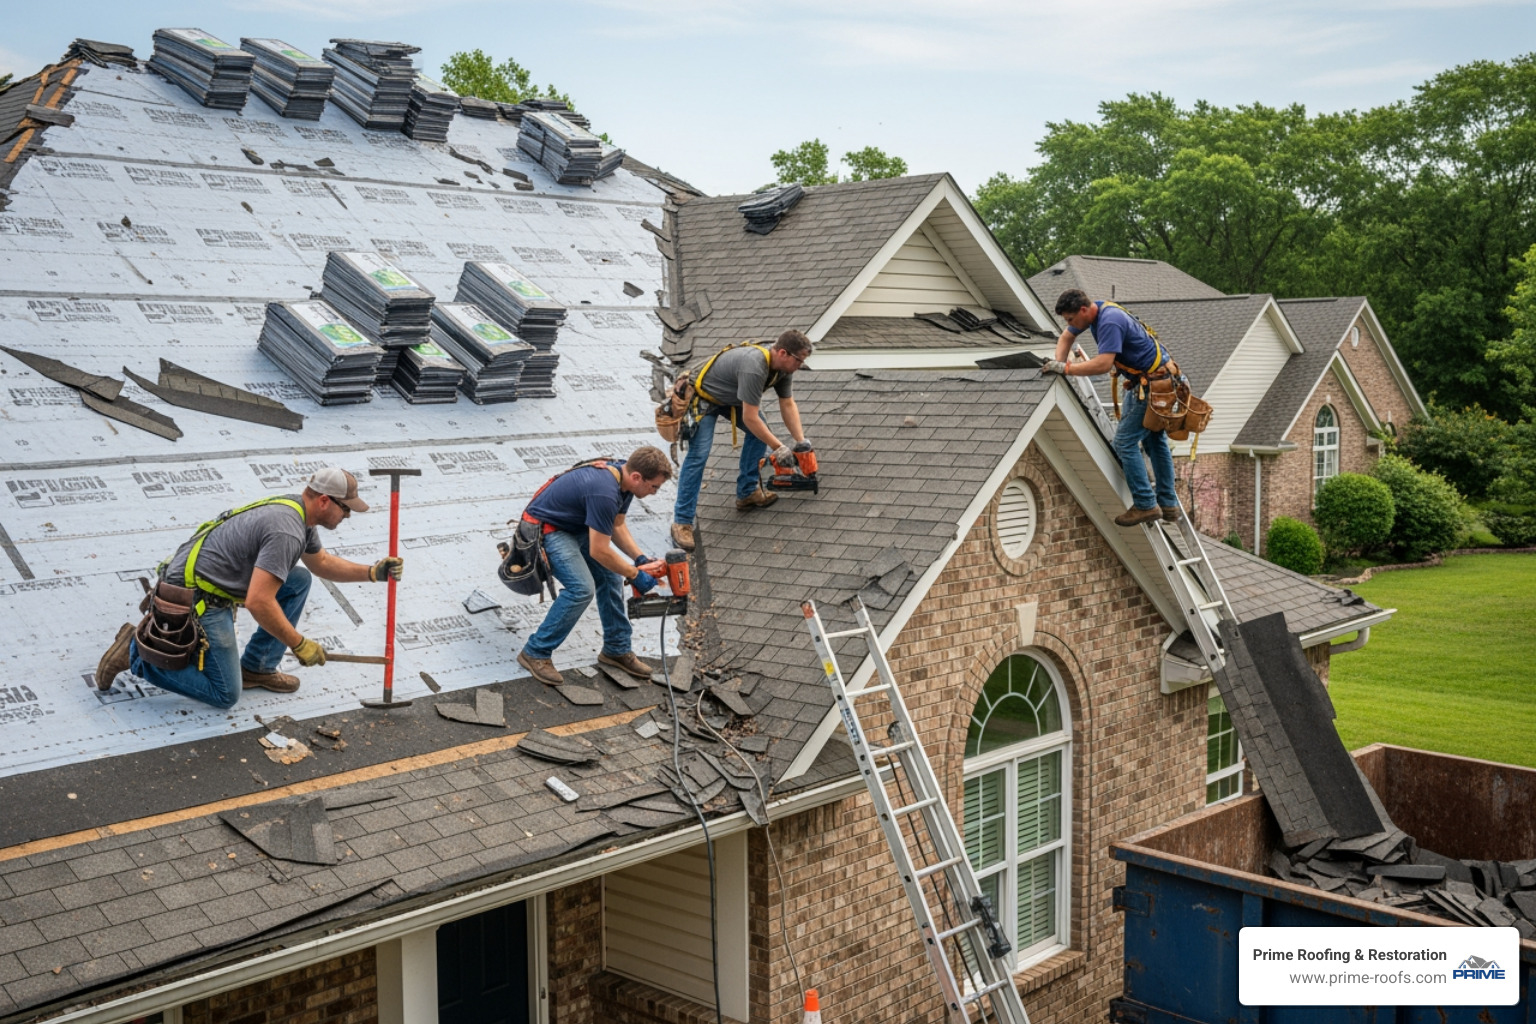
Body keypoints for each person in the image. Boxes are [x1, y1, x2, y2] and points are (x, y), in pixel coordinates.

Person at [94, 468, 404, 709]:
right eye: (346, 509)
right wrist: (298, 643)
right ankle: (135, 653)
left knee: (298, 580)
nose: (348, 515)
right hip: (195, 595)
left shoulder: (300, 514)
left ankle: (257, 667)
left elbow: (320, 562)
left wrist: (372, 572)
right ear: (324, 501)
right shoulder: (287, 530)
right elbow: (258, 601)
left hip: (214, 581)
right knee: (225, 693)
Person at [516, 446, 674, 686]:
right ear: (637, 477)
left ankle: (616, 649)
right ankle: (535, 652)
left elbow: (617, 525)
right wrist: (634, 574)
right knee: (581, 589)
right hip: (547, 530)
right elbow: (599, 550)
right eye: (654, 487)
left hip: (574, 525)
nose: (654, 493)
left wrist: (640, 559)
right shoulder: (604, 492)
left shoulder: (625, 479)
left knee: (610, 577)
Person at [1044, 289, 1182, 527]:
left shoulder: (1109, 321)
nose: (1070, 324)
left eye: (1070, 318)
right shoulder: (1098, 310)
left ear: (1083, 310)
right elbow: (1066, 337)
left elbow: (1103, 364)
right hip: (1154, 380)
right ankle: (1168, 504)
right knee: (1153, 439)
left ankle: (1146, 505)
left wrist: (1065, 369)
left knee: (1124, 442)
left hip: (1154, 385)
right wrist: (1059, 362)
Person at [669, 329, 812, 552]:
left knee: (759, 434)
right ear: (783, 353)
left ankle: (747, 493)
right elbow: (750, 417)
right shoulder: (755, 366)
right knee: (699, 455)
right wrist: (779, 448)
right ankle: (682, 521)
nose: (800, 365)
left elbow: (787, 404)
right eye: (799, 360)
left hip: (731, 396)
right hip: (704, 396)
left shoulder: (784, 369)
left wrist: (801, 441)